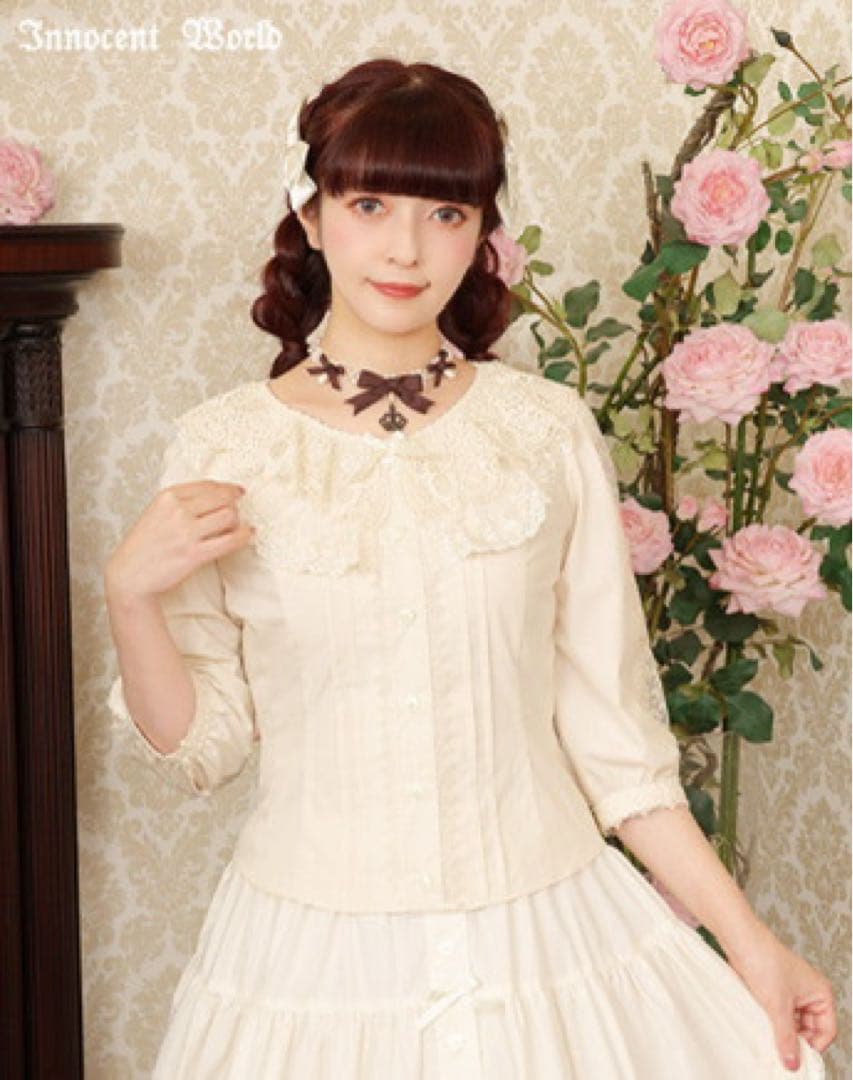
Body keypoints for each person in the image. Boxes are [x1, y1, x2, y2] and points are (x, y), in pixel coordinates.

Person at [104, 57, 837, 1079]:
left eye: (445, 214)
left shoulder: (545, 430)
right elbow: (204, 747)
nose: (405, 248)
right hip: (314, 963)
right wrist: (130, 598)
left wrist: (750, 944)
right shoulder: (225, 447)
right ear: (310, 215)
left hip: (550, 935)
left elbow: (617, 748)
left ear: (482, 230)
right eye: (368, 204)